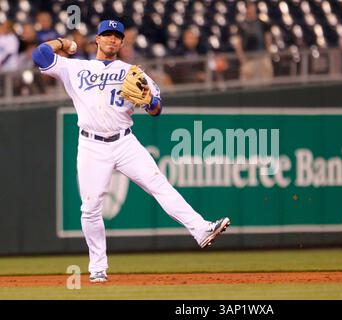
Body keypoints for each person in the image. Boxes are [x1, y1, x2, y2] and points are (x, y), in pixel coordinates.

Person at [31, 20, 230, 283]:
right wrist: (63, 43)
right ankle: (98, 268)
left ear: (123, 43)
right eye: (107, 35)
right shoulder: (76, 67)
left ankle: (201, 229)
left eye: (117, 36)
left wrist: (150, 101)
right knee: (90, 208)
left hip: (125, 142)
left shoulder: (133, 72)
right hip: (92, 144)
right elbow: (39, 55)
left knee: (159, 185)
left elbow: (157, 109)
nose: (112, 39)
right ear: (97, 40)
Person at [232, 1, 273, 81]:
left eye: (252, 7)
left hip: (262, 58)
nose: (250, 10)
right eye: (248, 8)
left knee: (265, 83)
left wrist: (268, 56)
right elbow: (238, 44)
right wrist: (242, 59)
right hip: (249, 60)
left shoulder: (263, 24)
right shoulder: (241, 26)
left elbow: (268, 40)